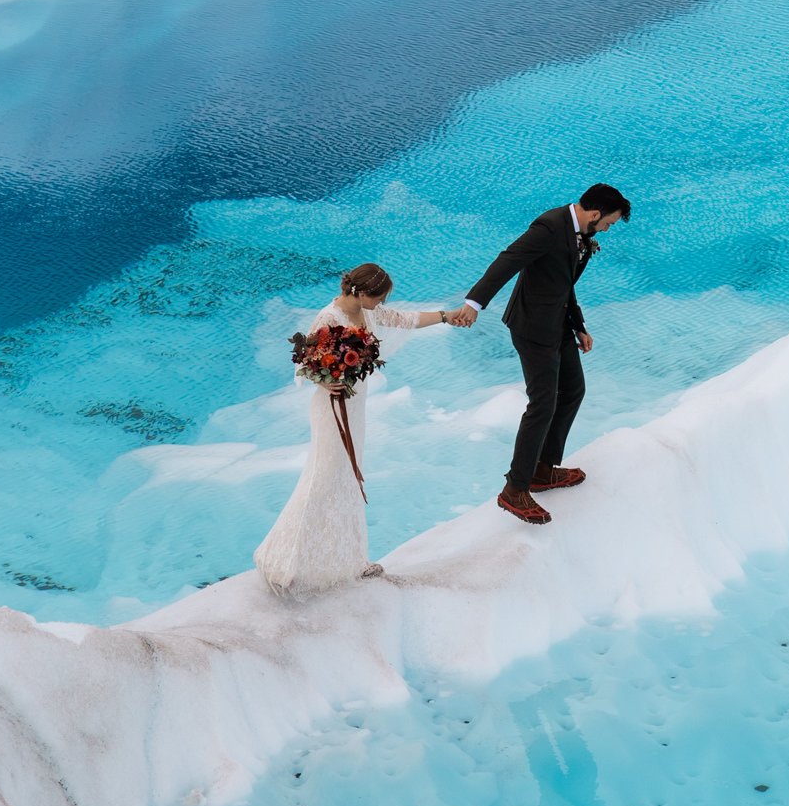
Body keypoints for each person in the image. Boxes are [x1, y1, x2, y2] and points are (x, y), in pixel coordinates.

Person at [254, 263, 475, 596]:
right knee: (322, 479)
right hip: (332, 408)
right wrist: (324, 380)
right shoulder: (328, 318)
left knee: (347, 479)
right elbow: (303, 364)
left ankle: (352, 559)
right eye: (380, 298)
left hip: (355, 404)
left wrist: (447, 315)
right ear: (361, 293)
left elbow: (408, 320)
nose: (382, 304)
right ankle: (283, 561)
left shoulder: (368, 312)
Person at [467, 184, 631, 524]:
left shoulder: (578, 233)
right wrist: (473, 304)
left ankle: (543, 469)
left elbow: (563, 283)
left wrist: (579, 325)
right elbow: (507, 261)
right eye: (609, 224)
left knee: (573, 390)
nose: (607, 230)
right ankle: (515, 489)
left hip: (558, 324)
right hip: (531, 327)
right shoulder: (548, 227)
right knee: (542, 403)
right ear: (596, 213)